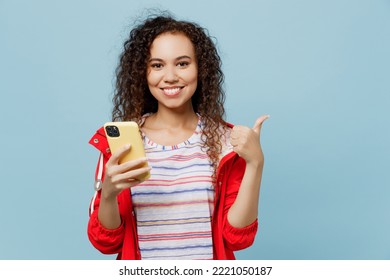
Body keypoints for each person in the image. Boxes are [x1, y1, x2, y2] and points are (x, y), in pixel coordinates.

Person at [87, 13, 269, 260]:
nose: (170, 76)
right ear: (143, 73)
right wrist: (108, 194)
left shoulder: (226, 141)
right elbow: (106, 243)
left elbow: (237, 237)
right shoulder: (119, 142)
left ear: (200, 68)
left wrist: (255, 163)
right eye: (157, 65)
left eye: (182, 63)